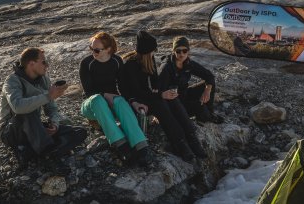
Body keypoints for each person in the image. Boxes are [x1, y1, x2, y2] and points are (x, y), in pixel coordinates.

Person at [121, 30, 206, 162]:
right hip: (135, 101)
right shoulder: (130, 65)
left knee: (173, 100)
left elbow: (155, 83)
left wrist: (167, 92)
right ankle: (180, 144)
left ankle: (192, 139)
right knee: (160, 104)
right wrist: (161, 95)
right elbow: (135, 92)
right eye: (153, 50)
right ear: (147, 50)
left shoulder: (149, 60)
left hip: (147, 96)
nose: (155, 52)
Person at [0, 47, 87, 167]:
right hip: (12, 131)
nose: (47, 65)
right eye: (44, 62)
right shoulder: (12, 81)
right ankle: (48, 153)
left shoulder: (43, 79)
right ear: (31, 64)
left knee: (79, 132)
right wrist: (48, 95)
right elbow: (18, 107)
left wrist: (54, 124)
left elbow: (52, 109)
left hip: (34, 128)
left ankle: (35, 151)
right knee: (27, 111)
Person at [79, 31, 151, 167]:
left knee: (121, 101)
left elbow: (123, 87)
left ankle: (141, 146)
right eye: (91, 48)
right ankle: (121, 146)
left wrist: (133, 102)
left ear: (108, 49)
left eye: (96, 49)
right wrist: (105, 94)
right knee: (97, 100)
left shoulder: (116, 61)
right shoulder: (86, 63)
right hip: (91, 105)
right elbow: (88, 91)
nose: (92, 52)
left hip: (111, 103)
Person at [158, 36, 224, 124]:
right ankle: (206, 117)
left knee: (209, 84)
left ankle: (210, 113)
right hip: (174, 103)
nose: (182, 54)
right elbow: (159, 91)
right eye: (178, 51)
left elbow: (209, 75)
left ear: (188, 51)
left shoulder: (188, 63)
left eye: (184, 51)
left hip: (185, 94)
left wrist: (207, 90)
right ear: (173, 51)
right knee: (199, 106)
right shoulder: (166, 68)